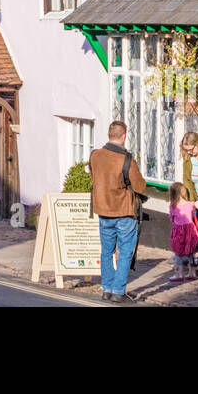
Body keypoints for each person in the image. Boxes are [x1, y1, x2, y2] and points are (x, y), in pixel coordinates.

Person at [88, 120, 149, 303]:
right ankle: (118, 291)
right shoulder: (127, 159)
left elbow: (95, 177)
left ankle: (106, 289)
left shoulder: (95, 156)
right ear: (124, 136)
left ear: (108, 135)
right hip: (124, 211)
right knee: (124, 252)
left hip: (103, 210)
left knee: (106, 251)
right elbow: (140, 186)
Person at [168, 182, 198, 282]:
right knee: (191, 252)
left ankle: (179, 274)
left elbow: (172, 219)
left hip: (178, 231)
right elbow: (197, 205)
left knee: (178, 253)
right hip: (190, 231)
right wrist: (197, 205)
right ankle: (192, 273)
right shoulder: (190, 204)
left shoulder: (173, 206)